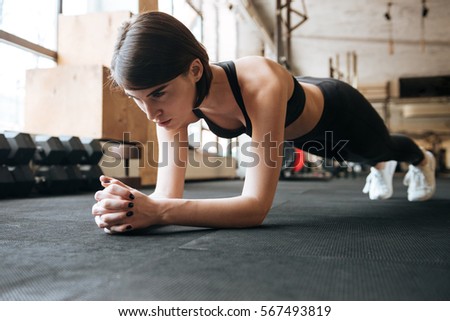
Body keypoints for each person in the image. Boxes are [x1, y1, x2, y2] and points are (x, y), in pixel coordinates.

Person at [92, 11, 436, 234]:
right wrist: (131, 206)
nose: (151, 114)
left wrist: (159, 212)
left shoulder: (259, 82)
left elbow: (255, 207)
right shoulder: (173, 105)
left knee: (384, 149)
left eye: (157, 94)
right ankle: (378, 165)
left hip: (339, 112)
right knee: (357, 158)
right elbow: (167, 196)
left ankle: (422, 160)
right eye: (137, 99)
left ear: (194, 70)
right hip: (298, 135)